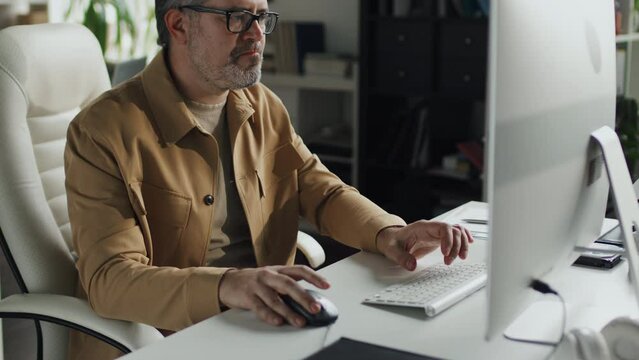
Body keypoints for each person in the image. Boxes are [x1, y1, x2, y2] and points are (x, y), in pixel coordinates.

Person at [64, 0, 474, 358]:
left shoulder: (261, 104)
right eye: (238, 17)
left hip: (266, 322)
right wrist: (229, 285)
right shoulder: (103, 130)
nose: (257, 34)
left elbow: (320, 190)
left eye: (262, 16)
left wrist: (389, 233)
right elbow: (109, 279)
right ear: (178, 25)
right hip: (168, 337)